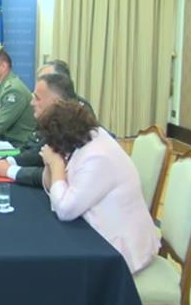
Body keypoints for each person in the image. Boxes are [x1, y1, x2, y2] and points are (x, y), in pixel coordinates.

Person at [39, 100, 160, 274]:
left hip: (120, 252)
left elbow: (65, 210)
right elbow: (55, 191)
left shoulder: (98, 156)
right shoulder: (87, 138)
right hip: (99, 232)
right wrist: (50, 165)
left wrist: (55, 164)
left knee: (56, 268)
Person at [0, 73, 77, 186]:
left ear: (56, 102)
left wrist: (9, 170)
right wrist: (7, 161)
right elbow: (37, 152)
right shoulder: (52, 121)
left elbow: (56, 176)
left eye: (37, 98)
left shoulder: (72, 129)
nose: (32, 103)